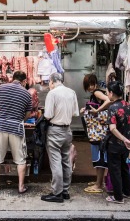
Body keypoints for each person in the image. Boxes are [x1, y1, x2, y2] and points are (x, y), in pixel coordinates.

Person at [0, 70, 32, 194]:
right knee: (20, 160)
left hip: (1, 126)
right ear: (24, 81)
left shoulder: (2, 87)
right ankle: (20, 187)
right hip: (16, 128)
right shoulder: (26, 93)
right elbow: (28, 114)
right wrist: (19, 120)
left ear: (12, 78)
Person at [41, 73, 79, 203]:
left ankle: (57, 193)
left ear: (52, 81)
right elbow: (75, 112)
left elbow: (48, 115)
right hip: (67, 130)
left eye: (49, 83)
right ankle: (65, 191)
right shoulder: (71, 92)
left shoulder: (52, 94)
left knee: (55, 162)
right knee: (66, 161)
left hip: (55, 130)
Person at [80, 74, 112, 194]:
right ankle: (99, 182)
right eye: (87, 86)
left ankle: (99, 185)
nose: (89, 87)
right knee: (99, 157)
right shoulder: (96, 93)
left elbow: (108, 100)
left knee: (100, 157)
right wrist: (87, 109)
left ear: (95, 83)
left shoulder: (97, 92)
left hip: (98, 132)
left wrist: (97, 111)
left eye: (91, 84)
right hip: (98, 131)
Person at [105, 81, 130, 204]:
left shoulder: (112, 107)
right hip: (127, 143)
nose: (107, 94)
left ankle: (118, 197)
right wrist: (127, 140)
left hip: (116, 144)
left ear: (111, 93)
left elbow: (112, 128)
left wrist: (123, 139)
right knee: (124, 166)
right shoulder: (128, 105)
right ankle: (127, 192)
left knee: (115, 169)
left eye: (107, 92)